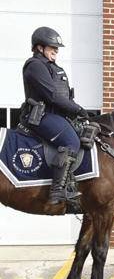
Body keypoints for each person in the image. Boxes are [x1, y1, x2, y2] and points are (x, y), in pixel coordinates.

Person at [22, 26, 88, 205]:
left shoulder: (51, 66)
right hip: (40, 116)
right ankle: (57, 191)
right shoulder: (35, 65)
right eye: (52, 47)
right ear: (39, 48)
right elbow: (52, 95)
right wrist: (77, 109)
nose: (56, 50)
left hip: (56, 115)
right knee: (71, 142)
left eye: (56, 48)